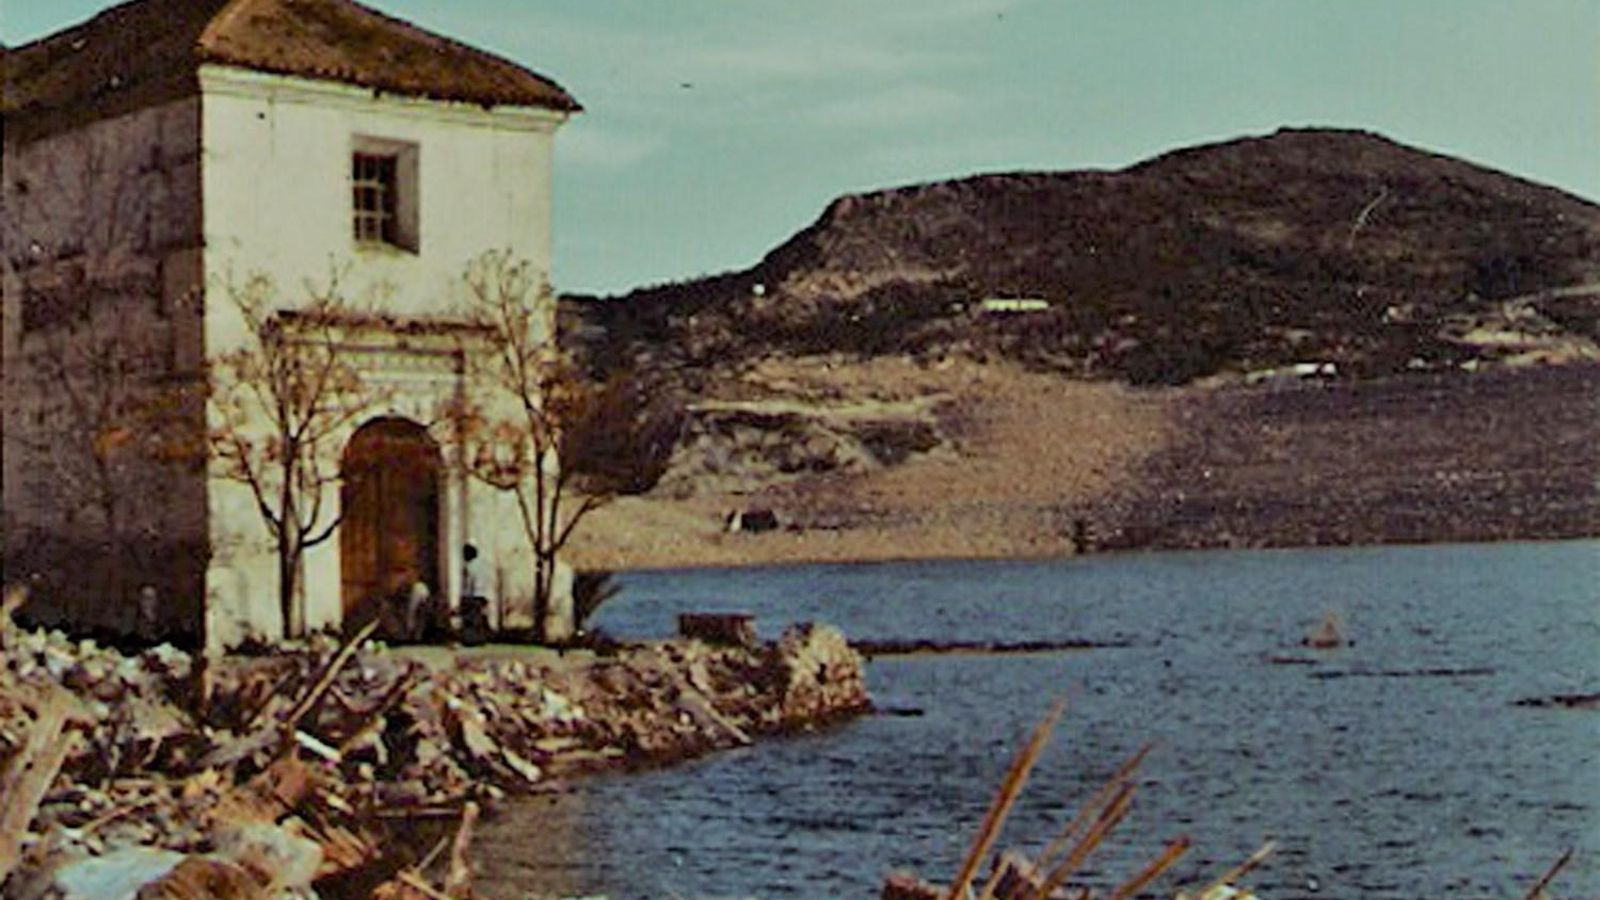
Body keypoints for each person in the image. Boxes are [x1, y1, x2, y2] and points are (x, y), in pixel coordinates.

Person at [460, 544, 490, 645]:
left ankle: (471, 639)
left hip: (472, 596)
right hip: (482, 594)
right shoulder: (482, 566)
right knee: (479, 618)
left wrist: (464, 596)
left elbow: (468, 584)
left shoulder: (469, 567)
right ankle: (480, 638)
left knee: (470, 619)